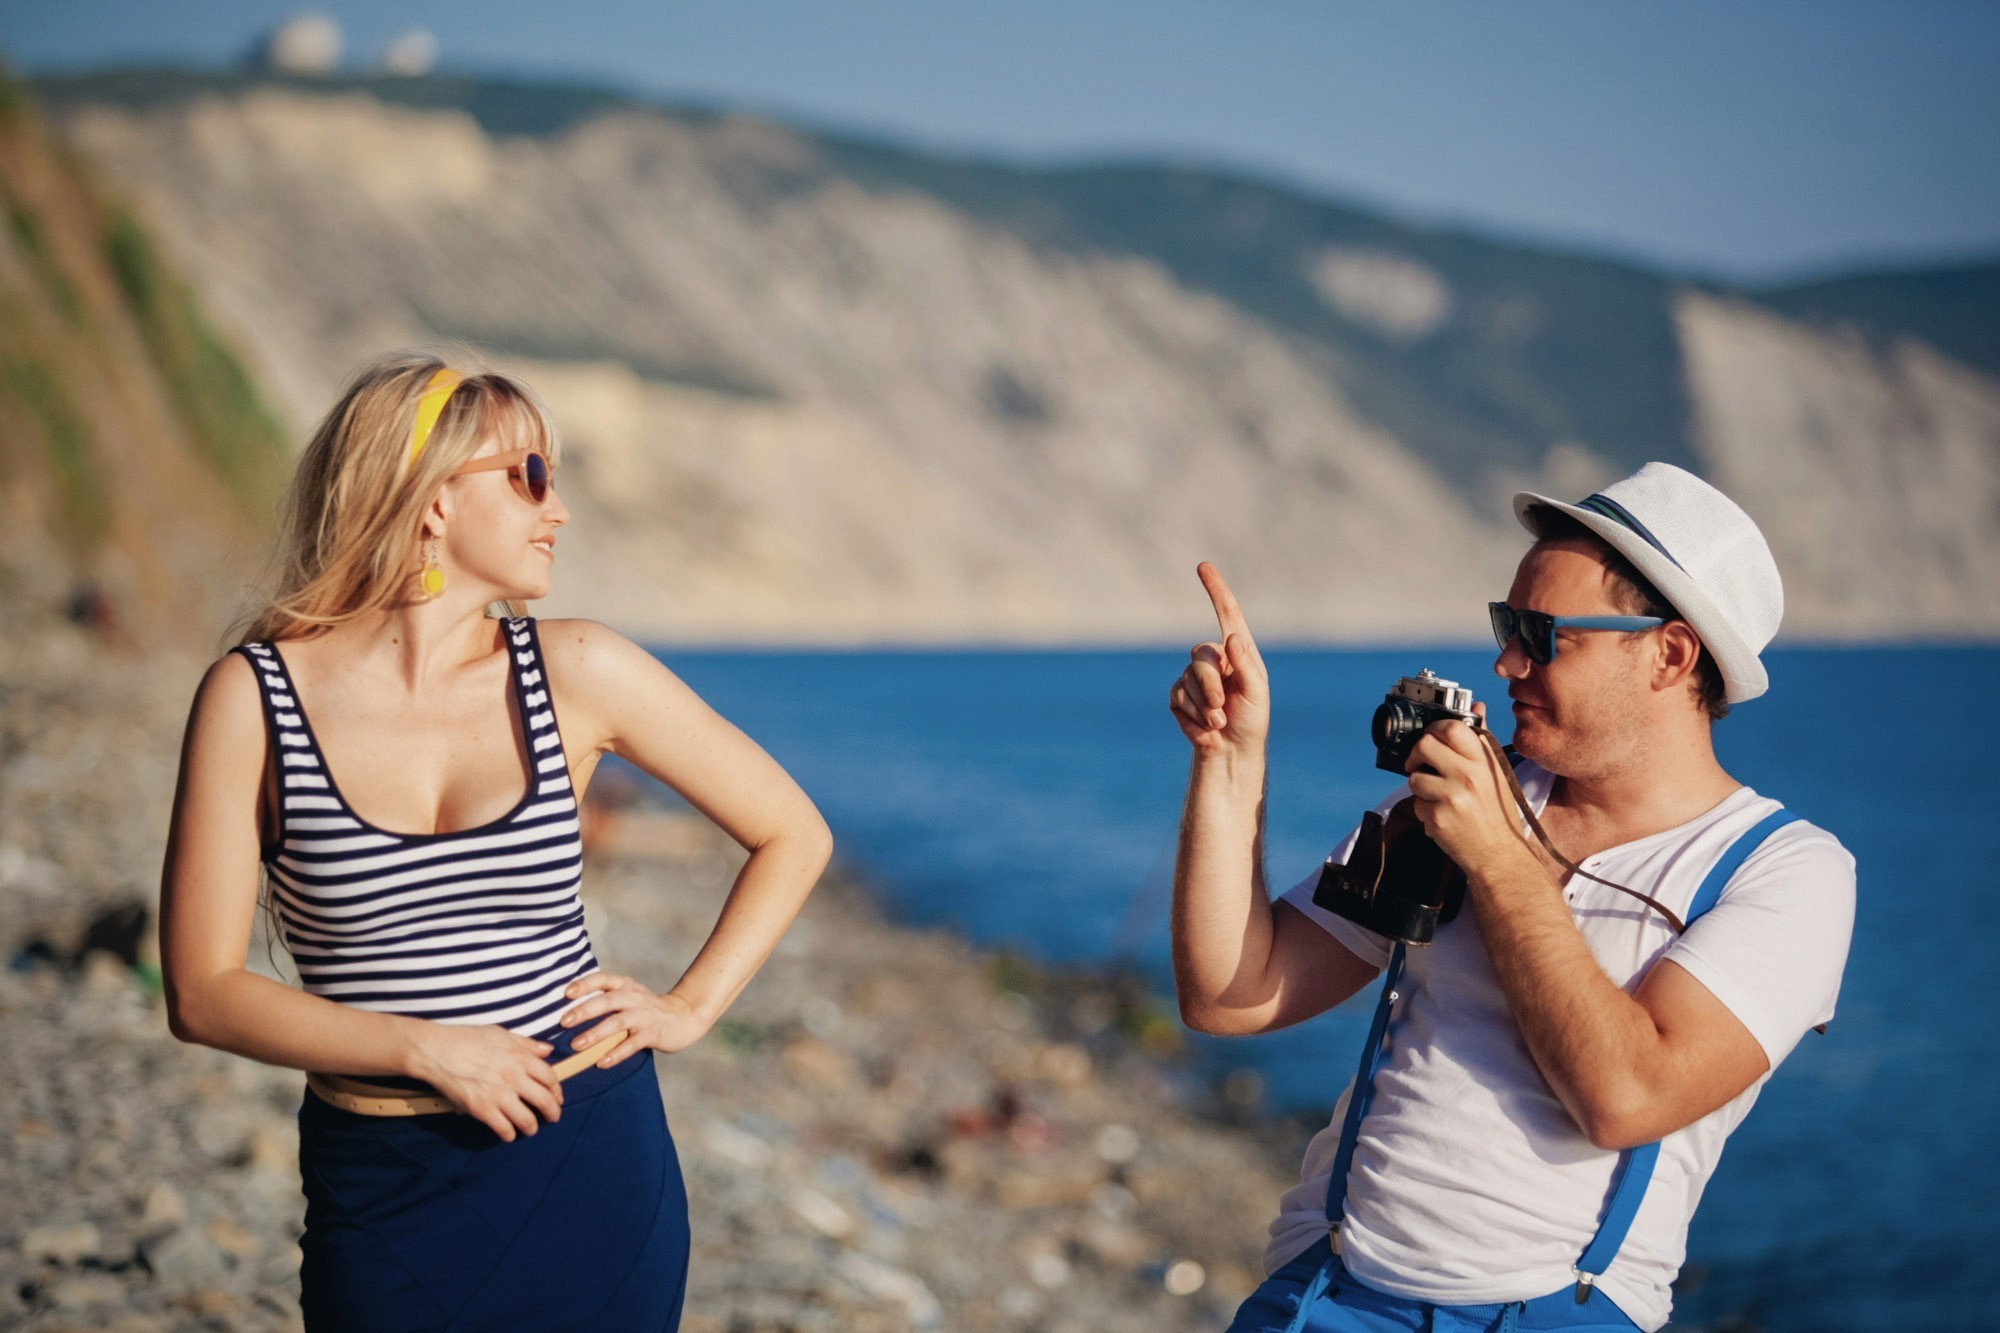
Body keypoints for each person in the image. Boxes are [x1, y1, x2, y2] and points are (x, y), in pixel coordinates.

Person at [158, 353, 833, 1331]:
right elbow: (202, 992)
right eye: (531, 477)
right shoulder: (253, 699)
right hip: (383, 1183)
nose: (559, 509)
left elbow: (791, 832)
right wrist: (426, 1048)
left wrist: (687, 1007)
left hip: (590, 1162)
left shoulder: (579, 669)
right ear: (433, 498)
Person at [1167, 463, 1855, 1332]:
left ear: (1670, 653)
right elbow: (1230, 993)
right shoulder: (1465, 798)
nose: (1506, 662)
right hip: (1326, 1290)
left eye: (1540, 634)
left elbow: (1626, 1096)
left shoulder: (1786, 872)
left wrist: (1497, 856)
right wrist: (1229, 759)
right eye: (1507, 624)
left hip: (1552, 1311)